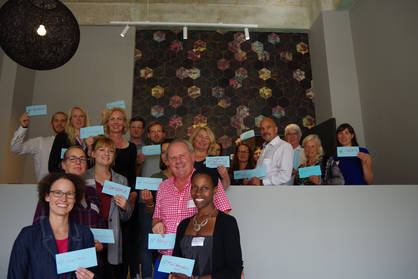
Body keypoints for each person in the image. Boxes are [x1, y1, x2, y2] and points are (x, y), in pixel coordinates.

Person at [152, 139, 231, 279]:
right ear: (167, 162)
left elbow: (223, 215)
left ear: (192, 156)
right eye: (173, 158)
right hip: (165, 260)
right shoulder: (163, 187)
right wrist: (156, 224)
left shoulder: (208, 180)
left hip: (197, 261)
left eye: (182, 156)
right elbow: (156, 217)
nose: (178, 161)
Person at [8, 173, 96, 278]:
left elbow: (92, 273)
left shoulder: (85, 234)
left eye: (69, 194)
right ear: (47, 196)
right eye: (57, 193)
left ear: (75, 199)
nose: (64, 198)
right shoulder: (28, 235)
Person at [169, 168, 243, 279]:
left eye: (205, 188)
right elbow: (177, 263)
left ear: (215, 190)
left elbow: (234, 270)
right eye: (194, 187)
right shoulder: (183, 225)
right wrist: (175, 275)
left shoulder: (227, 223)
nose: (198, 193)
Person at [84, 136, 132, 279]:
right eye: (101, 149)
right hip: (89, 233)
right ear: (93, 153)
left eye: (111, 151)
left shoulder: (121, 180)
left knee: (110, 273)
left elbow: (125, 217)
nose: (106, 153)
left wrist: (125, 207)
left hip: (112, 234)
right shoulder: (83, 177)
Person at [136, 139, 173, 279]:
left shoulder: (187, 178)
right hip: (161, 230)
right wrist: (150, 202)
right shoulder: (155, 177)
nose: (166, 154)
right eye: (163, 152)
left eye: (169, 150)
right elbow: (152, 211)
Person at [10, 111, 68, 182]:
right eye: (56, 121)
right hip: (45, 188)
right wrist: (23, 128)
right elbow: (15, 149)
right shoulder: (40, 142)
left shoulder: (73, 144)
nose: (59, 124)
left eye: (63, 121)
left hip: (68, 187)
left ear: (68, 124)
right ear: (51, 124)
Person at [49, 106, 90, 173]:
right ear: (70, 120)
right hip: (67, 177)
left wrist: (90, 147)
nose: (78, 119)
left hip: (87, 178)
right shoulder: (62, 137)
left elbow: (94, 162)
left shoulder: (92, 137)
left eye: (81, 116)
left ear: (85, 119)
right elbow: (53, 165)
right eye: (75, 116)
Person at [256, 118, 293, 185]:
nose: (265, 131)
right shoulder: (264, 148)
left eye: (268, 127)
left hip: (276, 193)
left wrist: (262, 183)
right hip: (261, 192)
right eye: (262, 128)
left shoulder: (285, 146)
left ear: (275, 129)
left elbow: (285, 176)